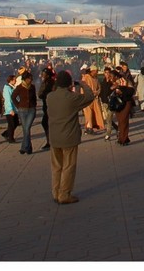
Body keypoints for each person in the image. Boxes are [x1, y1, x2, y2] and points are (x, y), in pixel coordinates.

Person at [46, 70, 97, 204]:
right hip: (69, 137)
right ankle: (64, 194)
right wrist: (82, 84)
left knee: (56, 166)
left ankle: (55, 192)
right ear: (69, 84)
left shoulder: (50, 97)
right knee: (68, 166)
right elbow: (90, 96)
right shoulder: (72, 98)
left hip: (54, 137)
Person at [11, 71, 37, 155]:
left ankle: (24, 147)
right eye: (29, 79)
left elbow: (34, 98)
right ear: (25, 79)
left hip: (31, 110)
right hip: (22, 109)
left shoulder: (32, 87)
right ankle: (28, 148)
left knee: (27, 128)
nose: (31, 80)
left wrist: (34, 105)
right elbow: (13, 97)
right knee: (25, 129)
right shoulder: (19, 87)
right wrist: (18, 105)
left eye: (31, 79)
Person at [112, 72, 135, 146]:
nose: (110, 77)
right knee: (120, 121)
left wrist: (120, 89)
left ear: (116, 76)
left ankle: (123, 139)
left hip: (126, 102)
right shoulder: (112, 82)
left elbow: (131, 91)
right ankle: (123, 138)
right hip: (117, 104)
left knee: (123, 121)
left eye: (111, 76)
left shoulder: (125, 81)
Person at [38, 64, 57, 151]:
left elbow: (43, 93)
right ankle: (50, 141)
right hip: (47, 105)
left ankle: (50, 141)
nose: (42, 76)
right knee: (46, 123)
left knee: (46, 123)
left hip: (50, 105)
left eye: (44, 74)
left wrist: (43, 95)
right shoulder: (47, 82)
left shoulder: (49, 83)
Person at [81, 66, 105, 135]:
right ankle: (89, 129)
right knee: (88, 114)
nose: (97, 72)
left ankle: (92, 127)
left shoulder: (96, 78)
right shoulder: (86, 77)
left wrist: (97, 92)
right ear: (92, 71)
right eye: (96, 71)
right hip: (87, 99)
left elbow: (99, 87)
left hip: (94, 99)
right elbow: (83, 88)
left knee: (95, 113)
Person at [1, 74, 19, 143]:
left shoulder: (12, 87)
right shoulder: (7, 88)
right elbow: (8, 99)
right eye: (14, 79)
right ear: (11, 80)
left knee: (16, 123)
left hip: (15, 108)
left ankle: (6, 133)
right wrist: (10, 109)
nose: (16, 81)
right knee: (11, 124)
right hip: (10, 109)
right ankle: (11, 138)